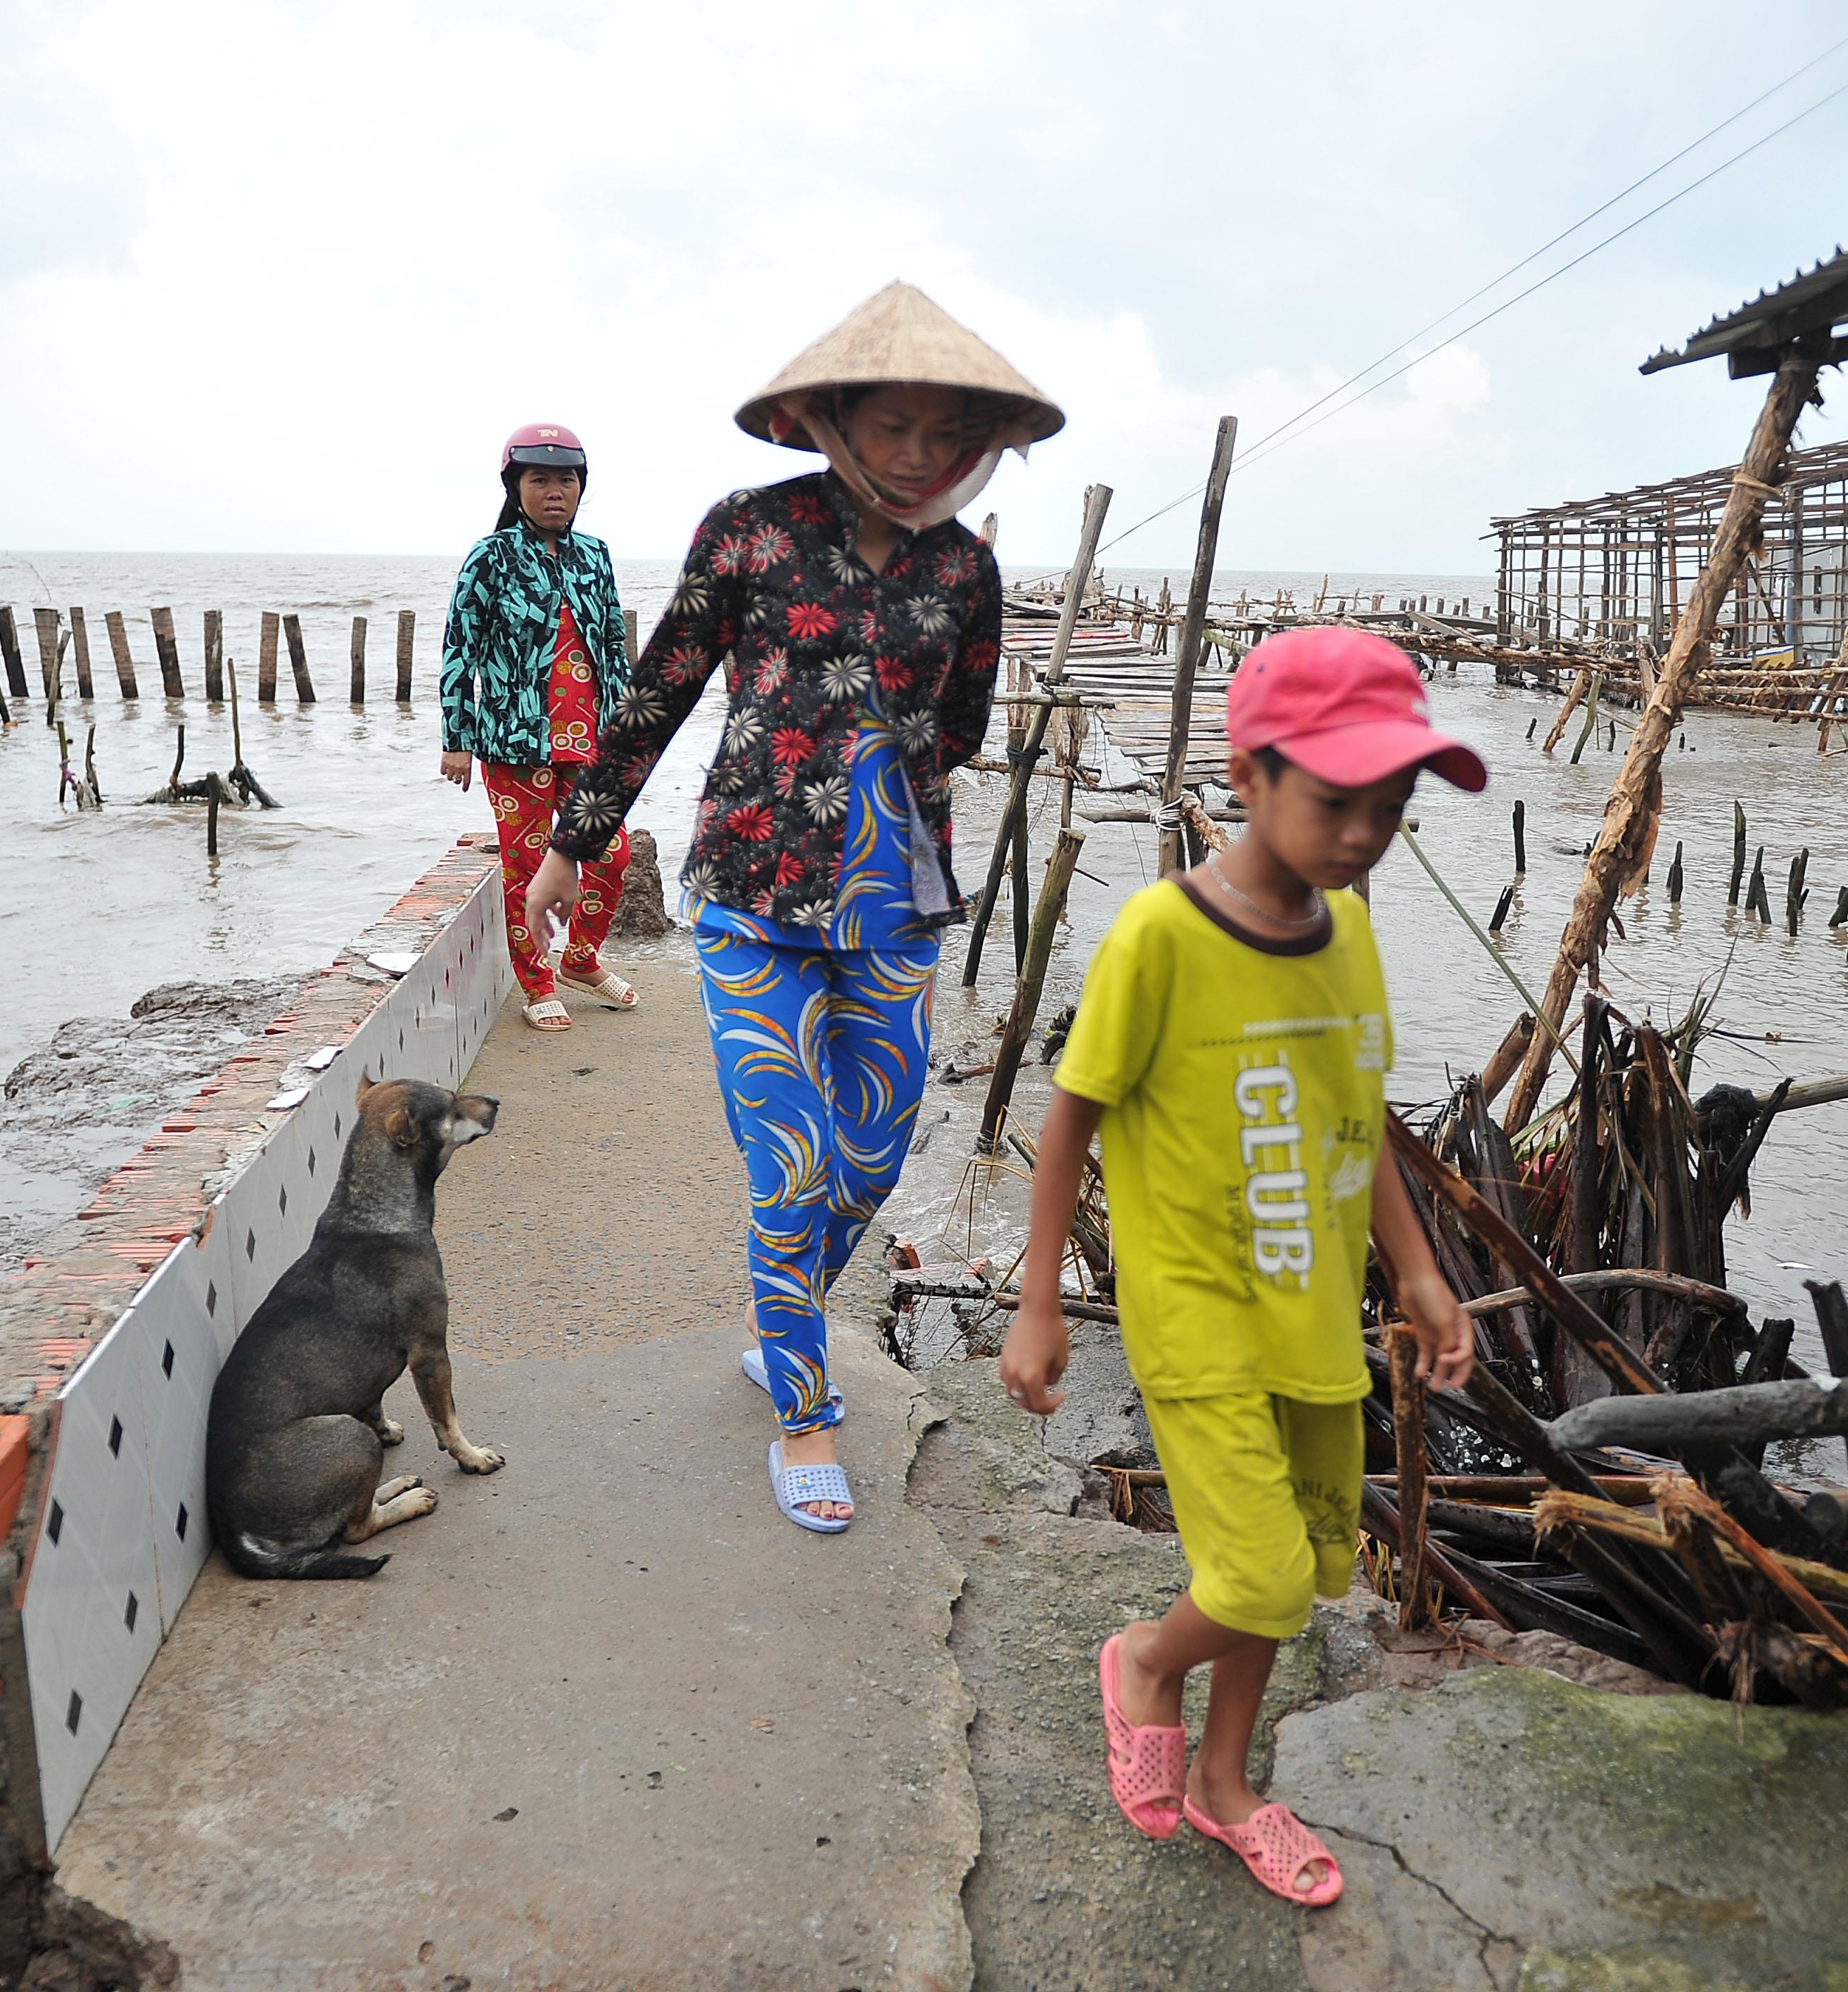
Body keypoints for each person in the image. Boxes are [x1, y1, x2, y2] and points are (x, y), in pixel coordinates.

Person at [520, 283, 1060, 1530]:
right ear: (831, 420)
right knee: (794, 1164)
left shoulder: (964, 567)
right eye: (893, 425)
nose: (918, 453)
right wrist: (569, 848)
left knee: (870, 1160)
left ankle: (787, 1314)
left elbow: (966, 726)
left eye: (945, 433)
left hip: (899, 905)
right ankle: (804, 1408)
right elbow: (654, 692)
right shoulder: (750, 533)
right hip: (754, 898)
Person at [999, 627, 1486, 1908]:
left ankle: (1228, 1781)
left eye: (1393, 804)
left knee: (1308, 1564)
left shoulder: (1349, 937)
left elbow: (1362, 1118)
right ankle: (1146, 1661)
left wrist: (1419, 1271)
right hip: (1197, 1313)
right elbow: (1072, 1117)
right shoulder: (1161, 932)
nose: (1365, 830)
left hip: (1315, 1319)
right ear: (1250, 770)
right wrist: (1040, 1298)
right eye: (1337, 798)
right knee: (1261, 1573)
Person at [440, 421, 637, 1033]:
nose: (556, 490)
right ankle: (536, 982)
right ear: (515, 486)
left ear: (583, 487)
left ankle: (580, 959)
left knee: (613, 855)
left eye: (567, 479)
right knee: (526, 867)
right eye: (540, 479)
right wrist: (457, 738)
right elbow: (459, 649)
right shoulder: (491, 556)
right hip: (515, 742)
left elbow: (611, 641)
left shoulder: (595, 554)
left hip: (591, 740)